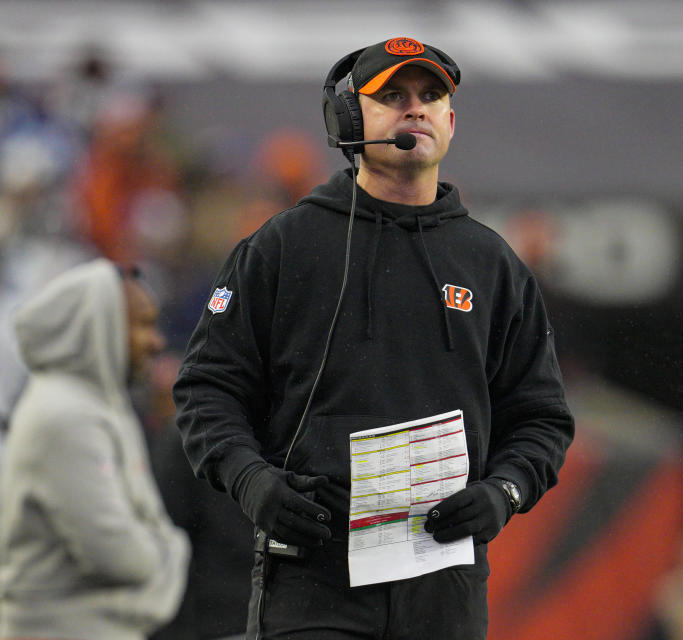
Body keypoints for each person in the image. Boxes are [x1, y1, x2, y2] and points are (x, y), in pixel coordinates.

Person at [173, 36, 574, 639]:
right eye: (393, 95)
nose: (416, 108)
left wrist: (504, 492)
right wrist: (251, 480)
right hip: (314, 581)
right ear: (350, 120)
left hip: (446, 586)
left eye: (431, 95)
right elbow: (207, 390)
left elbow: (541, 418)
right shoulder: (282, 248)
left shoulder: (492, 265)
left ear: (450, 120)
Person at [0, 259, 190, 639]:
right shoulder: (65, 415)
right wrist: (170, 560)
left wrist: (166, 552)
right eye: (141, 324)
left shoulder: (97, 404)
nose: (156, 342)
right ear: (98, 325)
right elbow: (121, 558)